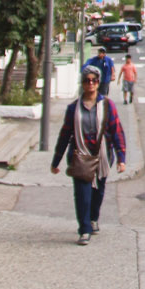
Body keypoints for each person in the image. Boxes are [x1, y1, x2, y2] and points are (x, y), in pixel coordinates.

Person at [50, 65, 126, 244]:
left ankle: (93, 219)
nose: (90, 83)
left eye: (94, 80)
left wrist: (121, 158)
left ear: (98, 83)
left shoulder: (108, 105)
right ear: (82, 83)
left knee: (97, 193)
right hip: (80, 156)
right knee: (83, 194)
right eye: (87, 80)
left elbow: (117, 132)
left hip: (102, 156)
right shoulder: (73, 108)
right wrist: (56, 161)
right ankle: (84, 229)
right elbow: (65, 134)